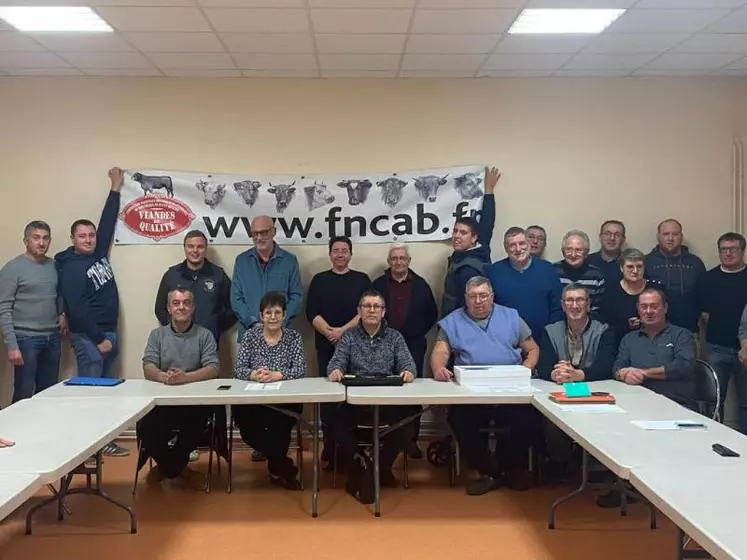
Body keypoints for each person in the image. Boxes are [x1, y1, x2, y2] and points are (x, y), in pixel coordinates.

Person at [431, 276, 540, 496]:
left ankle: (508, 468)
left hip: (510, 389)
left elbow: (533, 349)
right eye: (473, 296)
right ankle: (488, 472)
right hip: (471, 392)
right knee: (459, 419)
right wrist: (439, 369)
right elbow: (440, 351)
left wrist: (525, 369)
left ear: (492, 297)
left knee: (529, 419)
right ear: (465, 299)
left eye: (483, 296)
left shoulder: (511, 317)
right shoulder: (453, 321)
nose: (478, 301)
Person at [55, 168, 128, 457]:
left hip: (107, 333)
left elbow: (107, 223)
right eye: (82, 236)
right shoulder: (72, 266)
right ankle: (87, 446)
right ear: (73, 239)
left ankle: (102, 442)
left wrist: (115, 188)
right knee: (91, 392)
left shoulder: (98, 254)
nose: (88, 239)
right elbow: (77, 308)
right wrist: (99, 338)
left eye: (90, 235)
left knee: (104, 392)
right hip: (90, 336)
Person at [327, 290, 416, 504]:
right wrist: (336, 370)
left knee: (409, 422)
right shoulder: (349, 337)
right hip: (356, 401)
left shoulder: (395, 337)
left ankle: (377, 465)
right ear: (359, 311)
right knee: (333, 420)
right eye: (366, 306)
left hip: (387, 400)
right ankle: (363, 463)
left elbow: (408, 364)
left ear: (383, 312)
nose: (371, 310)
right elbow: (335, 363)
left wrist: (407, 371)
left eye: (376, 306)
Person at [138, 287, 220, 490]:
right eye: (176, 303)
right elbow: (148, 365)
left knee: (197, 423)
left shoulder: (205, 335)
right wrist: (162, 377)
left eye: (186, 303)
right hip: (162, 402)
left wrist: (186, 378)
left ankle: (166, 468)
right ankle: (177, 468)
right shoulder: (157, 335)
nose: (181, 307)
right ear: (169, 308)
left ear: (193, 308)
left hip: (193, 403)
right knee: (145, 425)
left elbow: (213, 368)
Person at [306, 236, 370, 468]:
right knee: (328, 398)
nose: (340, 254)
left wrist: (342, 331)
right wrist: (330, 333)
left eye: (344, 250)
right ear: (330, 254)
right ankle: (329, 445)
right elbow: (311, 311)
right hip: (325, 346)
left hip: (356, 346)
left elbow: (366, 310)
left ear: (351, 254)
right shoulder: (319, 280)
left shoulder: (361, 279)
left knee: (350, 396)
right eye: (336, 250)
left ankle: (349, 446)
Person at [232, 291, 306, 490]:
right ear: (260, 315)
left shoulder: (293, 337)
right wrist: (254, 375)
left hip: (284, 400)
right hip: (253, 400)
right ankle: (282, 465)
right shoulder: (250, 336)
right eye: (268, 313)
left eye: (277, 313)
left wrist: (278, 375)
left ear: (284, 315)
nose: (273, 317)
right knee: (246, 426)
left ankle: (278, 467)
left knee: (279, 426)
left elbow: (300, 369)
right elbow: (238, 368)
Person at [372, 244, 437, 460]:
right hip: (382, 346)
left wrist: (416, 332)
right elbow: (369, 315)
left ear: (409, 260)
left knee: (411, 393)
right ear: (388, 261)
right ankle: (386, 438)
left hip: (414, 345)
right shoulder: (379, 285)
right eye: (394, 258)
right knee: (385, 391)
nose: (398, 262)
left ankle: (410, 440)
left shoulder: (421, 285)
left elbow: (431, 314)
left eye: (402, 258)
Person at [0, 221, 67, 402]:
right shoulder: (12, 269)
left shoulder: (54, 266)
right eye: (36, 238)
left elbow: (59, 294)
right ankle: (15, 430)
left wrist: (62, 313)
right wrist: (12, 346)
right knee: (24, 393)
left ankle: (43, 430)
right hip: (26, 340)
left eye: (45, 238)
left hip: (52, 338)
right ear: (26, 240)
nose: (41, 243)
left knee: (48, 394)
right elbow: (3, 308)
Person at [614, 287, 696, 411]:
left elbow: (684, 366)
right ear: (638, 309)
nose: (649, 311)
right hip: (636, 405)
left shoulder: (681, 335)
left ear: (665, 308)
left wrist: (645, 373)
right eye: (644, 306)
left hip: (677, 404)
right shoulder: (629, 339)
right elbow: (617, 366)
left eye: (654, 306)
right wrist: (623, 375)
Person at [699, 233, 747, 433]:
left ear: (743, 251)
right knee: (715, 401)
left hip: (745, 349)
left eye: (733, 249)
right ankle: (715, 440)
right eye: (723, 249)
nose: (728, 253)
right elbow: (703, 312)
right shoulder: (708, 278)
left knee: (746, 402)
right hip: (716, 347)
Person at [155, 230, 236, 347]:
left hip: (209, 343)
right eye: (191, 246)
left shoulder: (218, 275)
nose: (195, 250)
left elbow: (232, 308)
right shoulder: (171, 275)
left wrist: (215, 327)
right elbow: (160, 308)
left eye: (200, 247)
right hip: (177, 343)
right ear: (185, 248)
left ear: (205, 249)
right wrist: (175, 328)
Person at [231, 215, 302, 340]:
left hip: (282, 334)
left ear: (273, 232)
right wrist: (252, 322)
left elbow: (296, 296)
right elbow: (236, 297)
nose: (259, 238)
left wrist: (278, 322)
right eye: (255, 234)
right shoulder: (241, 261)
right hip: (250, 334)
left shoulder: (289, 261)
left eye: (263, 233)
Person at [441, 166, 499, 318]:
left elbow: (470, 306)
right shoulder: (480, 248)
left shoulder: (469, 268)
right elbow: (488, 221)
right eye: (455, 231)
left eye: (463, 233)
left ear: (474, 238)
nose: (456, 236)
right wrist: (488, 192)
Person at [486, 227, 563, 340]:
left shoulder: (547, 269)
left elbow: (557, 307)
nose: (518, 249)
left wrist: (551, 335)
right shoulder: (493, 272)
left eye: (522, 243)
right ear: (506, 248)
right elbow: (488, 309)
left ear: (528, 244)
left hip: (543, 339)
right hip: (505, 340)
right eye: (512, 245)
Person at [537, 283, 616, 383]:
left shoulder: (603, 331)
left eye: (580, 300)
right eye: (569, 300)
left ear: (588, 304)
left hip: (594, 388)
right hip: (559, 386)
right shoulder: (550, 331)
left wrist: (578, 375)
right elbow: (543, 367)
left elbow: (606, 367)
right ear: (563, 305)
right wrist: (555, 374)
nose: (574, 306)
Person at [645, 219, 705, 338]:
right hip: (655, 333)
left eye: (675, 234)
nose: (670, 238)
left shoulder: (695, 263)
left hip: (689, 331)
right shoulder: (646, 262)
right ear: (658, 236)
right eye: (666, 234)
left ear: (681, 237)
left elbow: (705, 297)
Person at [600, 248, 662, 344]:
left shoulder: (655, 289)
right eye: (630, 267)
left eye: (639, 266)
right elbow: (605, 323)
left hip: (653, 341)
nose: (635, 271)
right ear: (621, 268)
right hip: (618, 342)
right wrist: (625, 325)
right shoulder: (610, 291)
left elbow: (665, 318)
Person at [554, 230, 605, 318]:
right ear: (563, 252)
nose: (573, 255)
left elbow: (598, 310)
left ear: (586, 253)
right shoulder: (552, 271)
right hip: (557, 325)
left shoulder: (597, 276)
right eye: (569, 249)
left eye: (578, 250)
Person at [588, 220, 626, 285]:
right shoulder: (586, 261)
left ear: (623, 239)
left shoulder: (630, 264)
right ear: (600, 237)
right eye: (607, 234)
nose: (612, 238)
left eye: (617, 235)